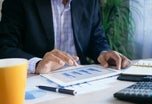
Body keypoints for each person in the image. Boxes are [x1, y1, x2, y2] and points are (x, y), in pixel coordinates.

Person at [0, 0, 131, 74]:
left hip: (81, 77)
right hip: (38, 78)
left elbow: (96, 39)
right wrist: (38, 64)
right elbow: (5, 47)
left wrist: (104, 53)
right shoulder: (18, 2)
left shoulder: (90, 2)